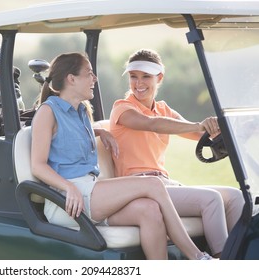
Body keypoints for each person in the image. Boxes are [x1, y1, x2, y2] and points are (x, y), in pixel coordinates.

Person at [31, 52, 213, 260]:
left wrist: (100, 132)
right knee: (153, 184)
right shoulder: (48, 112)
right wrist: (68, 187)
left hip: (90, 194)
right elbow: (38, 165)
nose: (94, 79)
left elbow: (67, 135)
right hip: (68, 200)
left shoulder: (81, 111)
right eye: (89, 74)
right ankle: (198, 257)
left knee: (150, 210)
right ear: (71, 79)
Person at [110, 48, 245, 258]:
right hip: (137, 187)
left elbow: (194, 132)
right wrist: (199, 125)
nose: (138, 83)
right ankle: (222, 261)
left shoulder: (163, 109)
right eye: (133, 77)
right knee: (210, 200)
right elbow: (152, 124)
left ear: (159, 78)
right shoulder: (122, 108)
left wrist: (217, 127)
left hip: (163, 184)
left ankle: (240, 256)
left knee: (234, 196)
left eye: (146, 76)